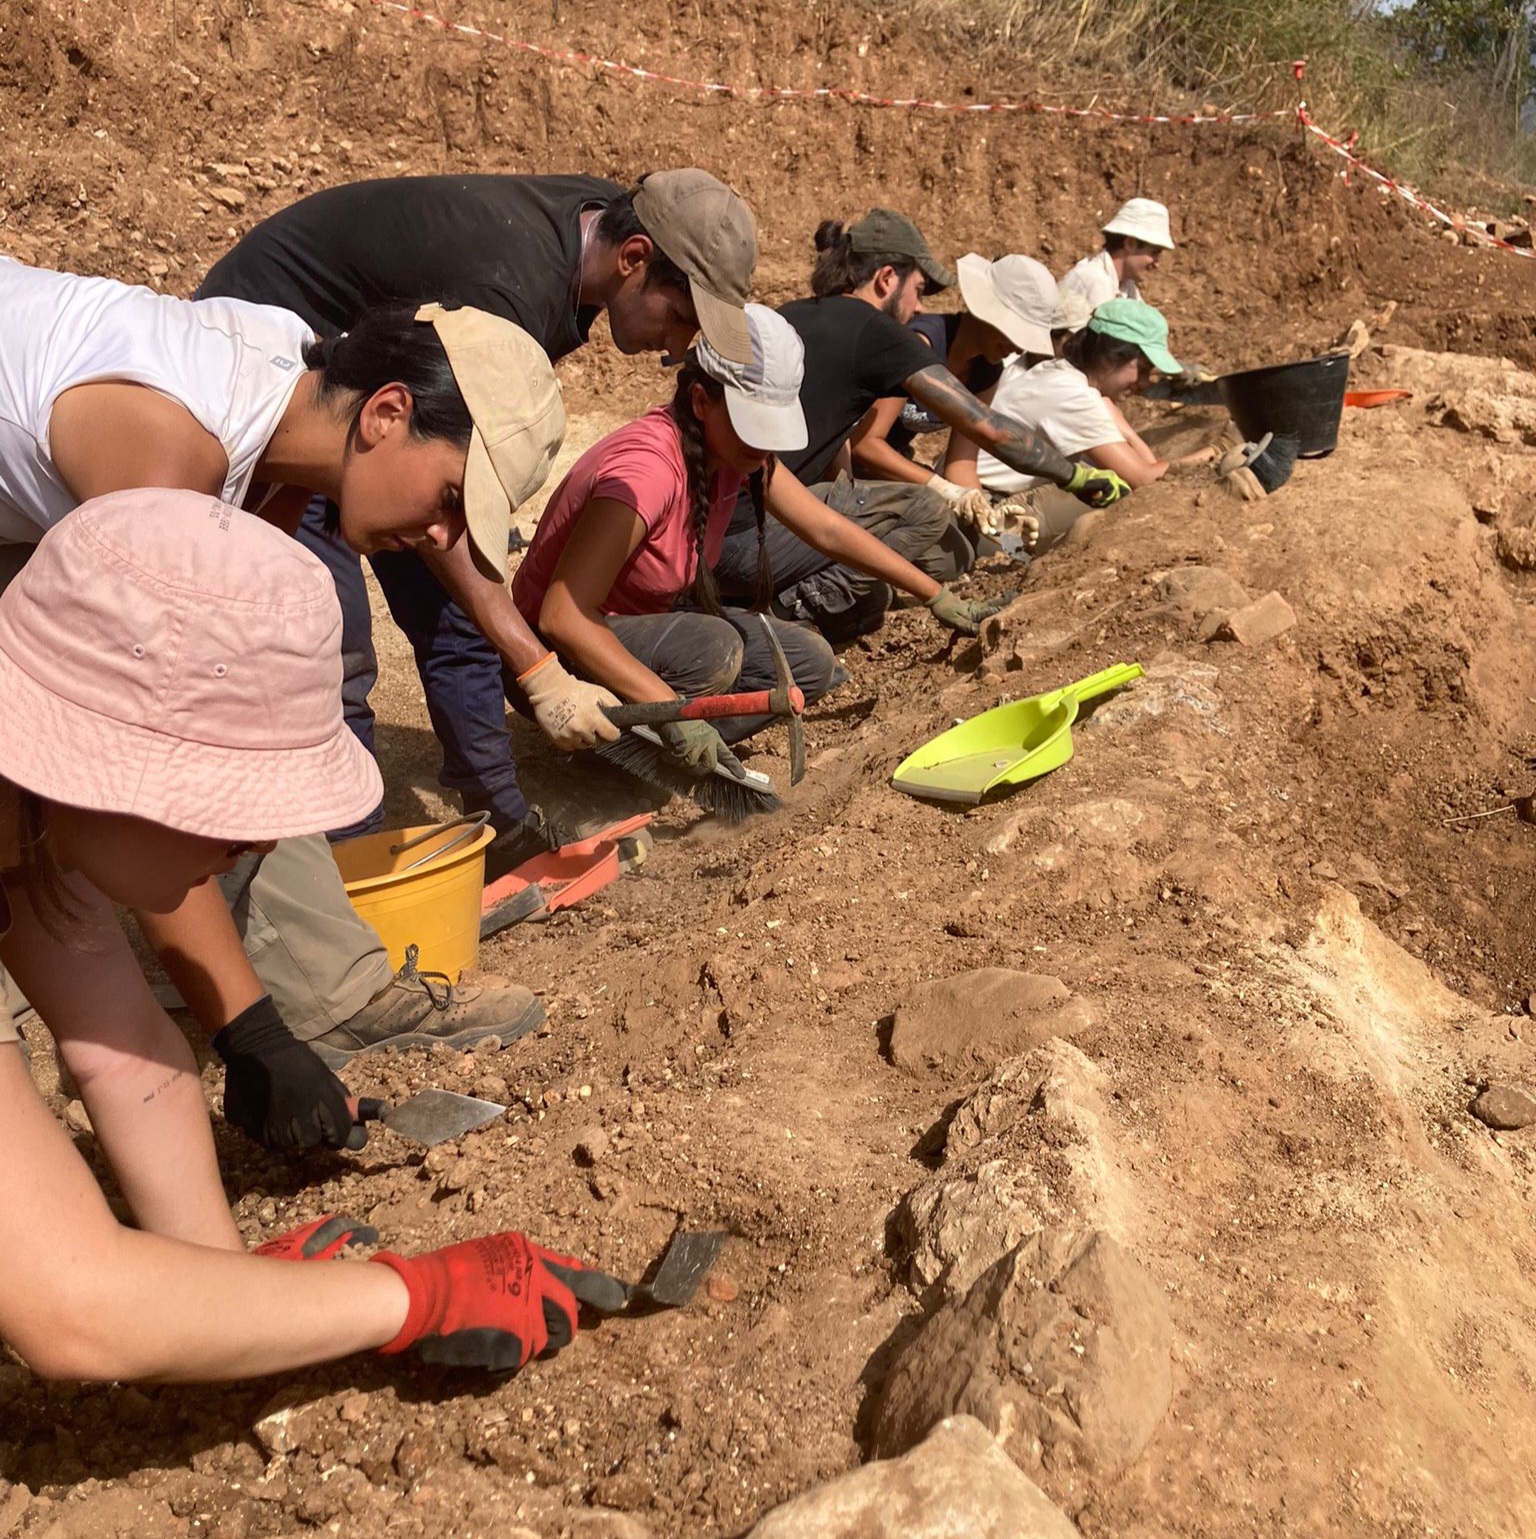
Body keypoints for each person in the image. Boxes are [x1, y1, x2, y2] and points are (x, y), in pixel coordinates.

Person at [0, 489, 616, 1382]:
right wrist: (411, 1296)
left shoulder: (39, 821)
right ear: (111, 758)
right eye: (235, 800)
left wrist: (218, 1296)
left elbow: (124, 1051)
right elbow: (75, 1309)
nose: (258, 841)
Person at [0, 255, 562, 1152]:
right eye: (451, 499)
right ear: (386, 412)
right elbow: (154, 761)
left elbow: (229, 714)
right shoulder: (166, 453)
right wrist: (250, 1032)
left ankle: (309, 985)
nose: (444, 539)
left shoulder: (292, 398)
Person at [198, 169, 757, 871]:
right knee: (329, 642)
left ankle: (496, 815)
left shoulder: (594, 231)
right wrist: (539, 671)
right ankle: (353, 865)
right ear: (635, 258)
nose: (677, 348)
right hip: (284, 387)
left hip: (386, 393)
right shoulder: (508, 289)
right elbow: (444, 468)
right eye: (680, 318)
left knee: (455, 605)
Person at [511, 306, 1008, 778]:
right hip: (561, 657)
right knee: (714, 648)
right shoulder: (647, 473)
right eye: (755, 427)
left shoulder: (735, 453)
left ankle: (673, 758)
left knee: (808, 665)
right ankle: (624, 754)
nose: (765, 445)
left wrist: (935, 595)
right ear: (703, 402)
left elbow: (827, 529)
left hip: (638, 632)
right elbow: (562, 616)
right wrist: (676, 713)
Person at [713, 211, 1130, 640]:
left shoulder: (794, 316)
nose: (919, 306)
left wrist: (983, 505)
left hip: (728, 519)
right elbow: (986, 430)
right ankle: (790, 605)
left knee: (949, 558)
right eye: (917, 290)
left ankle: (807, 589)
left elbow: (836, 438)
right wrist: (1075, 475)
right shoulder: (886, 335)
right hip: (752, 529)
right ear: (886, 278)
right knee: (923, 511)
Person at [950, 299, 1206, 553]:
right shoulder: (1074, 395)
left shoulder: (1060, 375)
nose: (1145, 383)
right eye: (1141, 369)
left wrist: (1125, 429)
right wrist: (1218, 450)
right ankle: (1019, 558)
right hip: (983, 515)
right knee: (1120, 497)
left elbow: (1146, 467)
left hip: (972, 503)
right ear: (1112, 357)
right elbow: (1146, 480)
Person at [847, 253, 1060, 533]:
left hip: (891, 473)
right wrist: (941, 489)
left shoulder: (986, 371)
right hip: (848, 470)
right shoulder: (921, 343)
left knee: (964, 544)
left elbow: (961, 466)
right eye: (1015, 334)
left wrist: (996, 527)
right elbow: (864, 444)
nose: (1019, 349)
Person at [1057, 198, 1173, 310]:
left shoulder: (1126, 286)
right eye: (1154, 252)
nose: (1157, 263)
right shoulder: (1095, 280)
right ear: (1130, 243)